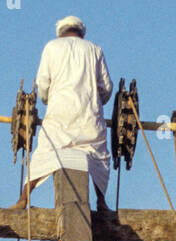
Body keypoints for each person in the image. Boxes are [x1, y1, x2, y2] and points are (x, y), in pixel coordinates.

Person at [8, 16, 113, 212]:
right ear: (81, 33)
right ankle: (101, 202)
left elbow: (43, 84)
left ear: (61, 32)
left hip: (59, 114)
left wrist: (47, 99)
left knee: (46, 152)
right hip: (89, 116)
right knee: (98, 156)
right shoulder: (94, 49)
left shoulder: (51, 47)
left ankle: (23, 198)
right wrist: (98, 101)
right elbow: (106, 87)